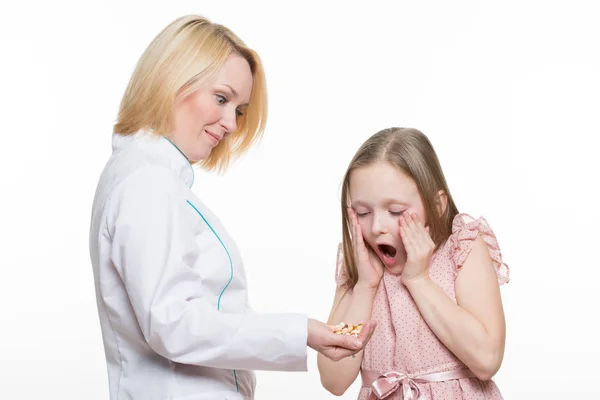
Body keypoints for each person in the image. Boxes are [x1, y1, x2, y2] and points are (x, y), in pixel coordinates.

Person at [88, 15, 376, 400]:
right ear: (172, 78)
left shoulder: (153, 179)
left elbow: (195, 317)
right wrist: (302, 332)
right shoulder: (145, 183)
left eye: (238, 109)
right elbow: (172, 323)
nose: (231, 124)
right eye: (222, 99)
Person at [317, 127, 509, 399]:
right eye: (363, 212)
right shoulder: (359, 269)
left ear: (437, 205)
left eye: (395, 211)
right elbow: (333, 379)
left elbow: (487, 359)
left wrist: (419, 280)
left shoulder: (461, 250)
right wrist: (364, 288)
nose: (377, 227)